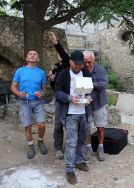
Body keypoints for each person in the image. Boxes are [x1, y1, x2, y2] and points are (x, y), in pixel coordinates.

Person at [54, 50, 92, 185]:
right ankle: (69, 170)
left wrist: (88, 97)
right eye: (76, 64)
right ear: (70, 61)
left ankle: (79, 161)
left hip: (84, 112)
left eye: (81, 65)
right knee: (71, 142)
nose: (78, 67)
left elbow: (88, 90)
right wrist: (69, 98)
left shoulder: (86, 72)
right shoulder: (63, 74)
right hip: (70, 113)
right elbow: (57, 92)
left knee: (82, 140)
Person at [11, 50, 47, 159]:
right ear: (27, 58)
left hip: (38, 102)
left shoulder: (41, 72)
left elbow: (44, 90)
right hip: (24, 101)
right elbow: (13, 86)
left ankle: (40, 141)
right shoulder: (20, 71)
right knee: (27, 125)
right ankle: (30, 145)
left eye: (35, 54)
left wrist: (41, 94)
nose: (32, 55)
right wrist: (18, 93)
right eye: (30, 54)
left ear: (38, 59)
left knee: (42, 124)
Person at [82, 51, 108, 162]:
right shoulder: (81, 70)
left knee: (100, 126)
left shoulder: (101, 70)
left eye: (89, 62)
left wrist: (90, 84)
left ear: (94, 60)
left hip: (99, 103)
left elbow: (103, 84)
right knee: (87, 126)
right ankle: (89, 148)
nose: (87, 64)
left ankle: (100, 148)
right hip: (86, 104)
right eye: (85, 62)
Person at [48, 31, 70, 160]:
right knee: (58, 125)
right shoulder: (56, 69)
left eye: (61, 52)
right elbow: (55, 89)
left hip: (70, 100)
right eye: (58, 54)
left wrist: (56, 43)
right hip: (59, 101)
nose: (59, 55)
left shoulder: (68, 65)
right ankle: (58, 148)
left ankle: (70, 146)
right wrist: (52, 79)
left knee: (70, 124)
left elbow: (65, 56)